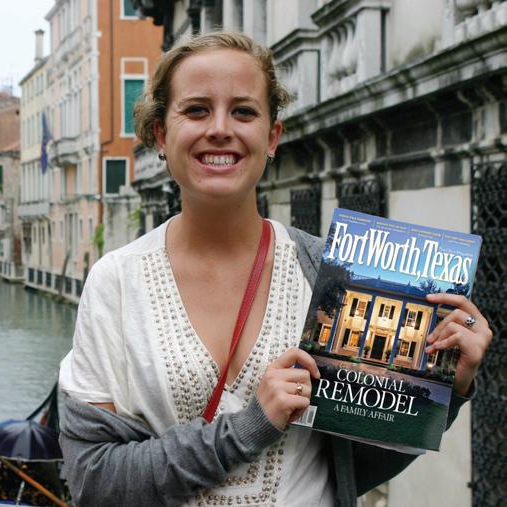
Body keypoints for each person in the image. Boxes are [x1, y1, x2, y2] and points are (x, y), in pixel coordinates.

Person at [57, 32, 493, 507]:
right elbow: (93, 480)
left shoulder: (330, 273)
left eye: (243, 112)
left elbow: (356, 467)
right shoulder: (115, 283)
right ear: (161, 134)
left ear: (272, 137)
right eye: (197, 110)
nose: (219, 128)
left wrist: (447, 386)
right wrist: (250, 426)